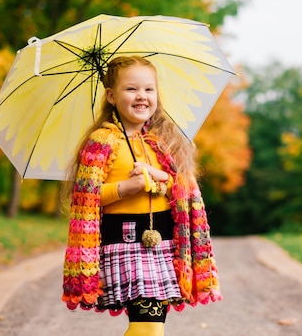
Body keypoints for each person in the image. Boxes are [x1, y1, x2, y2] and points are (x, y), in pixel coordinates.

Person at [61, 55, 221, 336]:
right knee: (149, 326)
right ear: (111, 96)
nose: (142, 96)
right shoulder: (102, 142)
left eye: (149, 89)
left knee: (152, 325)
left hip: (165, 245)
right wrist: (126, 188)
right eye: (131, 89)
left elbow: (182, 190)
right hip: (124, 242)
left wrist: (161, 178)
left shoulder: (165, 142)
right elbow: (86, 198)